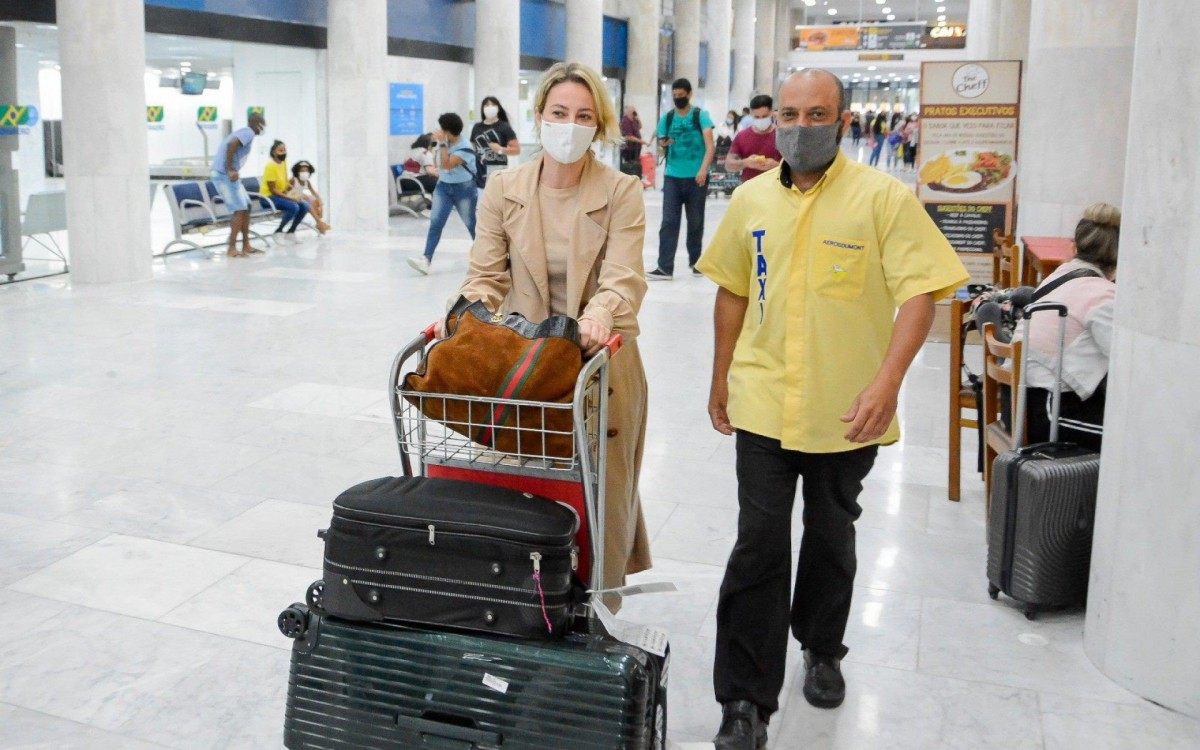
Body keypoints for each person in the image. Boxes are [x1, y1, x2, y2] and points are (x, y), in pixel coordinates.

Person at [695, 69, 968, 749]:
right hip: (763, 400)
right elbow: (730, 289)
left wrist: (887, 383)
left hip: (848, 409)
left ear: (842, 122)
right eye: (788, 113)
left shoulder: (883, 200)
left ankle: (822, 647)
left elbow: (920, 297)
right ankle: (744, 701)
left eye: (817, 114)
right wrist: (719, 374)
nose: (799, 126)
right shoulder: (752, 199)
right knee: (758, 544)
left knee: (829, 532)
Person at [442, 60, 652, 593]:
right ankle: (528, 594)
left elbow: (623, 277)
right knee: (527, 484)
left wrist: (600, 314)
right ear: (539, 117)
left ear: (599, 125)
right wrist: (466, 311)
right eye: (559, 112)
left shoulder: (621, 191)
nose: (570, 125)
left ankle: (595, 599)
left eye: (584, 115)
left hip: (599, 363)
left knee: (600, 489)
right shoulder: (504, 187)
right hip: (528, 362)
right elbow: (486, 274)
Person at [1013, 203, 1120, 451]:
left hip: (1020, 405)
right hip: (1049, 411)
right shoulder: (1102, 295)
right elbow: (1125, 362)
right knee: (1136, 436)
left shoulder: (1058, 276)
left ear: (1075, 246)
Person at [649, 78, 714, 279]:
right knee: (669, 221)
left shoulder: (700, 115)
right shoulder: (667, 118)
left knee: (695, 221)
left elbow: (710, 146)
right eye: (675, 95)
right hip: (673, 176)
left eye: (681, 95)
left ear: (689, 94)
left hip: (696, 177)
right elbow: (660, 147)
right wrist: (664, 144)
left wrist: (703, 170)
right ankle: (665, 267)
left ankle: (696, 262)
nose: (678, 98)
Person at [408, 113, 478, 275]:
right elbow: (437, 163)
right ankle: (426, 259)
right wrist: (439, 145)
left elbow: (446, 165)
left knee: (471, 225)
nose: (439, 131)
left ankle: (487, 259)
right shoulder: (444, 144)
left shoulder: (465, 147)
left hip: (464, 190)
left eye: (442, 129)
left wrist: (442, 144)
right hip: (443, 188)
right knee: (435, 223)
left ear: (448, 132)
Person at [211, 112, 265, 257]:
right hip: (223, 175)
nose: (263, 129)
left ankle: (246, 245)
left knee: (246, 206)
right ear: (258, 125)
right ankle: (231, 248)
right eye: (263, 126)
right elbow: (231, 144)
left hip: (227, 175)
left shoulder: (245, 132)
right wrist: (230, 169)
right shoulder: (248, 132)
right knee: (239, 209)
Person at [724, 94, 781, 183]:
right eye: (757, 117)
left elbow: (797, 168)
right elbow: (728, 165)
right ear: (751, 115)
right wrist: (746, 162)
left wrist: (777, 166)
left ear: (771, 113)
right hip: (748, 190)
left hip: (777, 189)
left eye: (764, 116)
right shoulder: (742, 136)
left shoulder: (782, 135)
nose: (761, 120)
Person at [261, 140, 309, 242]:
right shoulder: (270, 166)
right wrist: (290, 198)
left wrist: (298, 194)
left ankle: (291, 232)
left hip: (280, 196)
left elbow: (285, 183)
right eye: (280, 150)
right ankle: (279, 231)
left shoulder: (283, 163)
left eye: (284, 150)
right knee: (294, 206)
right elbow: (273, 190)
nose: (283, 153)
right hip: (268, 198)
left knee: (305, 205)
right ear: (274, 152)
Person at [469, 96, 521, 189]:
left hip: (498, 168)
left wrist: (500, 150)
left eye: (493, 104)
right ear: (482, 108)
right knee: (481, 200)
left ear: (498, 108)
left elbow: (516, 150)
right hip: (480, 169)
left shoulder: (504, 127)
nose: (490, 107)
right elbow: (473, 148)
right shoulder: (477, 127)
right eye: (486, 105)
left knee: (495, 198)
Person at [289, 160, 331, 234]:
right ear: (297, 172)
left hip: (300, 198)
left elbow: (314, 192)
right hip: (292, 199)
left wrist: (320, 201)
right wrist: (302, 196)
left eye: (306, 171)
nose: (304, 172)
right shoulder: (293, 180)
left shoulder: (307, 182)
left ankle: (319, 223)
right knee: (307, 200)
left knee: (315, 200)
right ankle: (320, 223)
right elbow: (287, 192)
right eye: (302, 170)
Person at [619, 104, 645, 178]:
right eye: (632, 111)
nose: (634, 112)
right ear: (628, 111)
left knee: (635, 165)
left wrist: (638, 118)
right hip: (629, 148)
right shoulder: (625, 121)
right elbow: (629, 137)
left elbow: (640, 127)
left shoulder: (633, 119)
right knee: (630, 166)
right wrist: (641, 141)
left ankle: (635, 178)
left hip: (636, 148)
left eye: (634, 111)